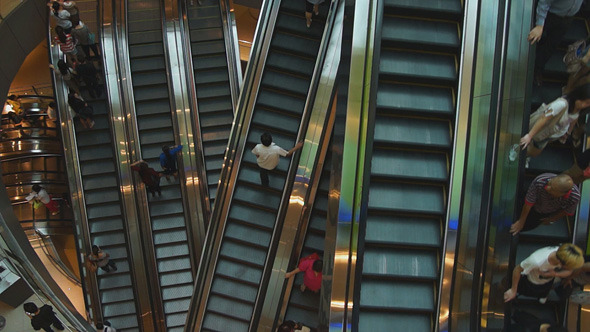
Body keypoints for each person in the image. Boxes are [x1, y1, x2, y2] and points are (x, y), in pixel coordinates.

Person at [518, 83, 590, 158]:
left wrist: (568, 132)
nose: (586, 105)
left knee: (535, 150)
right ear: (579, 96)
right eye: (586, 102)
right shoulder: (561, 104)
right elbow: (544, 118)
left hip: (552, 133)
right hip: (544, 129)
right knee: (534, 151)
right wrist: (529, 136)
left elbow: (573, 119)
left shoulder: (580, 109)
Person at [503, 243, 584, 304]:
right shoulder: (536, 261)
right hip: (532, 281)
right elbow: (517, 269)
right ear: (562, 263)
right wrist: (513, 290)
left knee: (545, 289)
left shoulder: (562, 254)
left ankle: (543, 295)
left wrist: (554, 274)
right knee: (527, 291)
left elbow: (570, 271)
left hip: (547, 281)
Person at [528, 0, 584, 86]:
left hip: (567, 18)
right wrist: (539, 25)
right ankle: (528, 68)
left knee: (550, 46)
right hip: (550, 14)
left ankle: (536, 70)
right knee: (535, 40)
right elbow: (544, 2)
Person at [510, 173, 579, 235]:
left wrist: (552, 219)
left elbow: (567, 211)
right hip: (527, 203)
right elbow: (528, 203)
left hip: (542, 213)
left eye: (553, 189)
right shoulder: (541, 180)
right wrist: (521, 222)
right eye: (550, 183)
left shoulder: (574, 197)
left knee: (522, 228)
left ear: (563, 194)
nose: (547, 188)